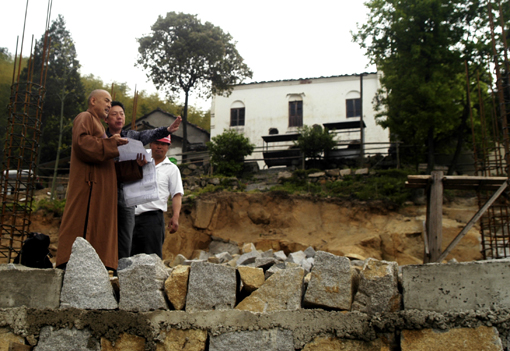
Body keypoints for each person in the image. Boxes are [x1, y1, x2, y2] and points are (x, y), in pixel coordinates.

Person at [56, 90, 128, 270]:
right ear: (93, 101)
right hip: (88, 188)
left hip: (102, 190)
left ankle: (101, 264)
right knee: (83, 226)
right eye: (106, 101)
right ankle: (71, 261)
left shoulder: (101, 129)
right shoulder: (85, 117)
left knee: (101, 228)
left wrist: (136, 165)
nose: (109, 105)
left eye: (111, 102)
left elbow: (109, 165)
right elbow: (82, 144)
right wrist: (112, 144)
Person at [105, 101, 182, 259]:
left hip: (147, 214)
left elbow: (177, 194)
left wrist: (166, 130)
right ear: (106, 118)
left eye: (121, 114)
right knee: (109, 239)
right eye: (114, 114)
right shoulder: (100, 137)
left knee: (141, 253)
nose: (119, 117)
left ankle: (122, 274)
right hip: (107, 195)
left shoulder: (132, 139)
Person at [131, 136, 183, 258]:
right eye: (156, 143)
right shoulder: (138, 160)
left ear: (168, 147)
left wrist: (175, 216)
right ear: (150, 144)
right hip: (130, 216)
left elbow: (177, 194)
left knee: (151, 258)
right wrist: (137, 167)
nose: (159, 147)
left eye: (163, 144)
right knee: (127, 257)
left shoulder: (171, 169)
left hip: (152, 219)